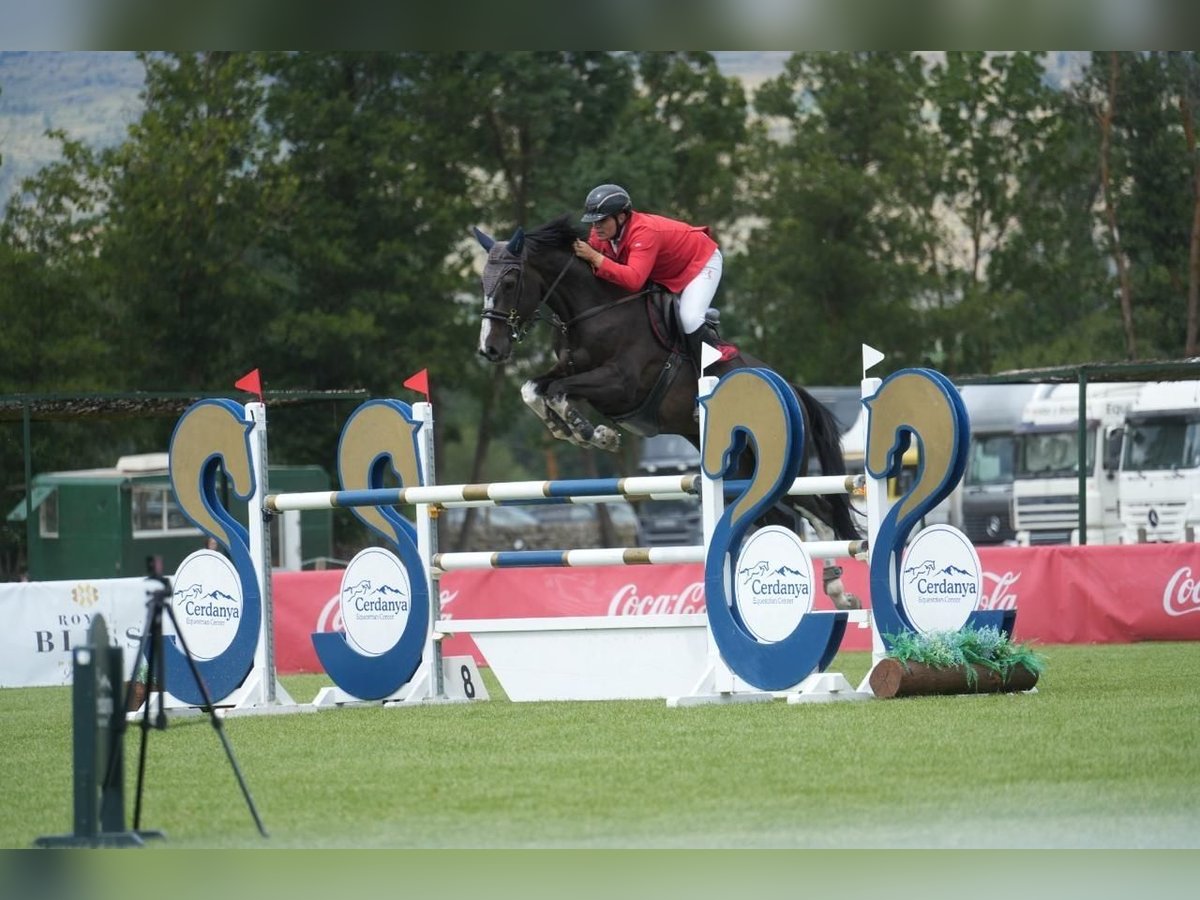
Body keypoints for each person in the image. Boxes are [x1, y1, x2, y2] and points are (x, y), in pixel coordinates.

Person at [573, 183, 724, 373]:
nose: (596, 227)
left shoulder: (644, 232)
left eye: (602, 220)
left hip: (700, 261)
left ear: (621, 217)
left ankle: (713, 367)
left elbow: (634, 280)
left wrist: (595, 258)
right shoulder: (600, 234)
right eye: (593, 222)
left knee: (690, 318)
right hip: (666, 271)